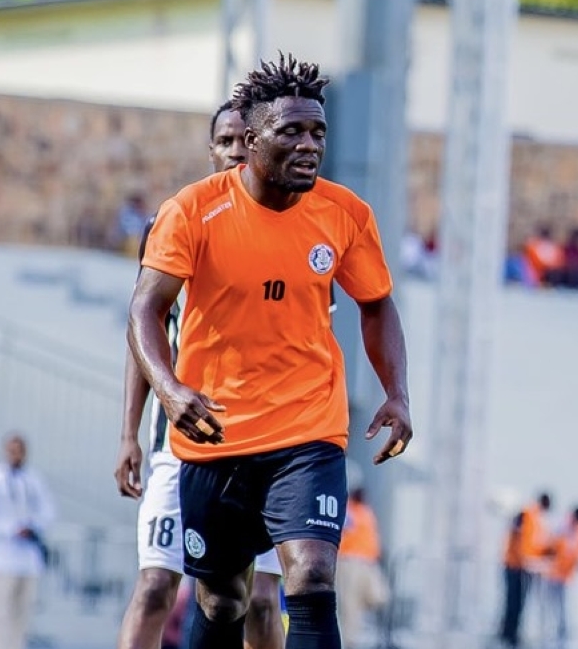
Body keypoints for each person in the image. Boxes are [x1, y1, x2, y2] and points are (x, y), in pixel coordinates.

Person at [128, 52, 412, 649]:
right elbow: (144, 311)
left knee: (310, 573)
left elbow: (378, 304)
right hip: (215, 432)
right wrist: (171, 390)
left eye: (318, 132)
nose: (310, 145)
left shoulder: (345, 214)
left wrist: (397, 393)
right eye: (292, 132)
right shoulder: (193, 211)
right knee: (222, 596)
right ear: (251, 140)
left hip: (308, 431)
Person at [114, 101, 287, 649]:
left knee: (260, 601)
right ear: (212, 149)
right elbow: (144, 336)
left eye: (245, 139)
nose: (236, 149)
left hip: (267, 444)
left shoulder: (294, 224)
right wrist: (128, 435)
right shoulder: (175, 221)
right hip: (181, 445)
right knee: (155, 587)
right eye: (226, 140)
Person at [0, 434, 57, 649]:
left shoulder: (34, 480)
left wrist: (32, 527)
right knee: (0, 612)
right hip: (2, 556)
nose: (16, 455)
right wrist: (10, 530)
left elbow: (49, 512)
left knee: (24, 612)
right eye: (12, 450)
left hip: (28, 559)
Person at [336, 487, 389, 646]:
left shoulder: (365, 511)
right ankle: (349, 641)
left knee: (379, 597)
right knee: (350, 604)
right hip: (350, 562)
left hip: (368, 563)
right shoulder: (348, 510)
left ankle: (354, 633)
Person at [498, 492, 552, 647]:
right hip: (515, 566)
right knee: (513, 602)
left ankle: (512, 633)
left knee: (518, 603)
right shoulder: (527, 515)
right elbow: (522, 542)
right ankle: (508, 634)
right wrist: (528, 560)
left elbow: (533, 544)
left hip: (522, 567)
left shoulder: (535, 519)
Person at [540, 506, 578, 649]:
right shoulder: (562, 526)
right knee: (549, 607)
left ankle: (562, 638)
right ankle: (548, 636)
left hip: (566, 577)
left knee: (563, 610)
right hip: (553, 574)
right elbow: (550, 545)